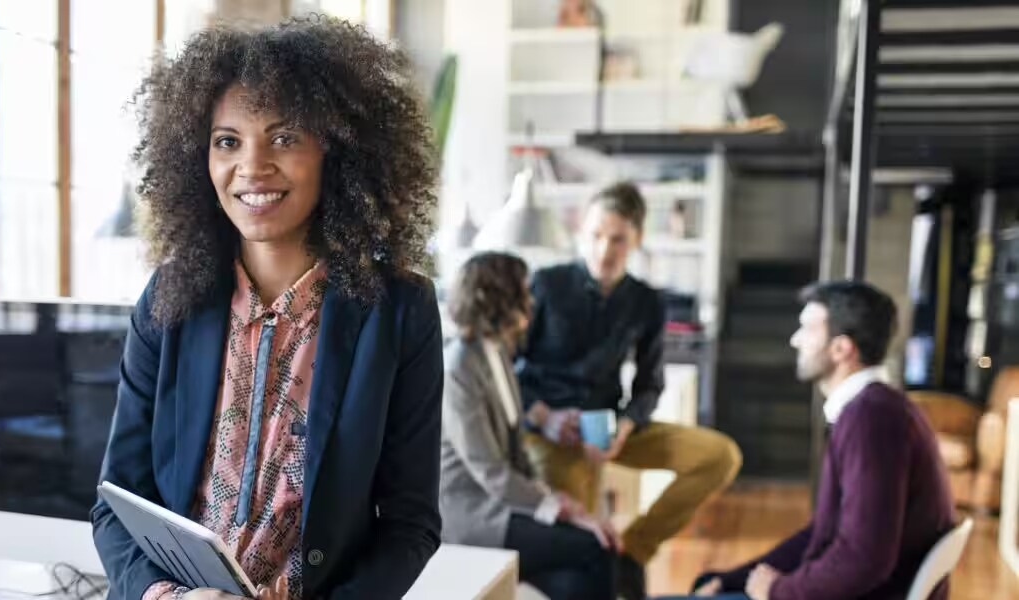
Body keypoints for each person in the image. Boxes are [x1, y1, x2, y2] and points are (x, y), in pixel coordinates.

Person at [91, 17, 443, 600]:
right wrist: (165, 597)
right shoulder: (168, 300)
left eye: (284, 138)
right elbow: (115, 503)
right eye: (227, 140)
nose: (251, 167)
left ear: (337, 151)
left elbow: (410, 525)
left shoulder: (399, 312)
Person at [515, 181, 742, 594]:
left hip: (611, 427)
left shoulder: (646, 301)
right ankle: (607, 562)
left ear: (636, 238)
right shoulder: (546, 285)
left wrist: (626, 426)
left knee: (719, 456)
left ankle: (632, 550)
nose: (605, 250)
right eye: (596, 236)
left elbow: (649, 385)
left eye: (618, 239)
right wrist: (543, 417)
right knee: (584, 537)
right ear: (582, 233)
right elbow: (508, 369)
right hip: (548, 432)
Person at [685, 281, 956, 600]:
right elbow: (824, 533)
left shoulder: (871, 420)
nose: (795, 339)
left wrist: (778, 591)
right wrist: (736, 579)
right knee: (707, 584)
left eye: (807, 329)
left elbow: (864, 560)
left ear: (841, 349)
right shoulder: (876, 408)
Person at [440, 252, 621, 600]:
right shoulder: (459, 369)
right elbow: (490, 471)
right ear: (499, 297)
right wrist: (559, 507)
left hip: (505, 503)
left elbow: (515, 451)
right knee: (593, 549)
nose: (531, 298)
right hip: (475, 515)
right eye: (523, 289)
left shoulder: (497, 354)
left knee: (583, 565)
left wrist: (561, 505)